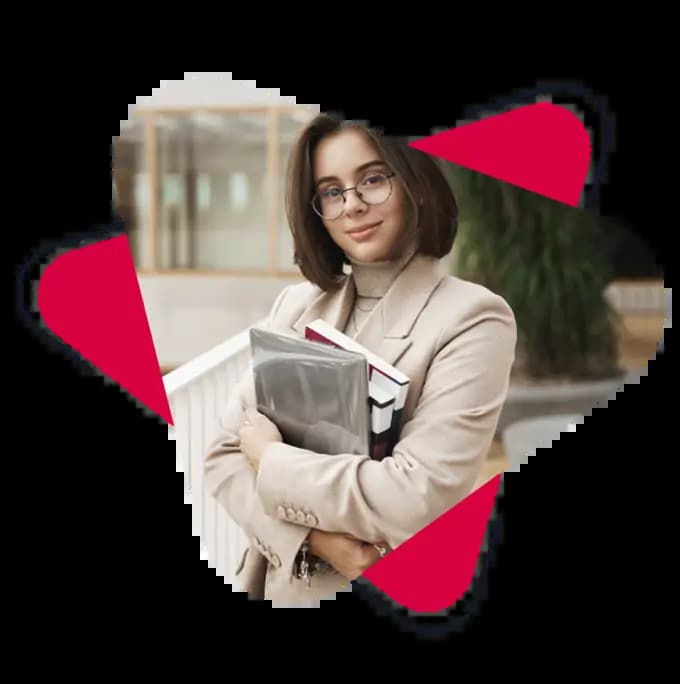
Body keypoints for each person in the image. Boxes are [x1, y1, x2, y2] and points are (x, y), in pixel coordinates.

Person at [204, 112, 517, 607]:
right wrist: (312, 542)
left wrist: (269, 459)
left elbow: (412, 495)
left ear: (414, 182)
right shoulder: (295, 304)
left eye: (372, 179)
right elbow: (221, 457)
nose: (352, 205)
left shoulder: (473, 318)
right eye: (331, 191)